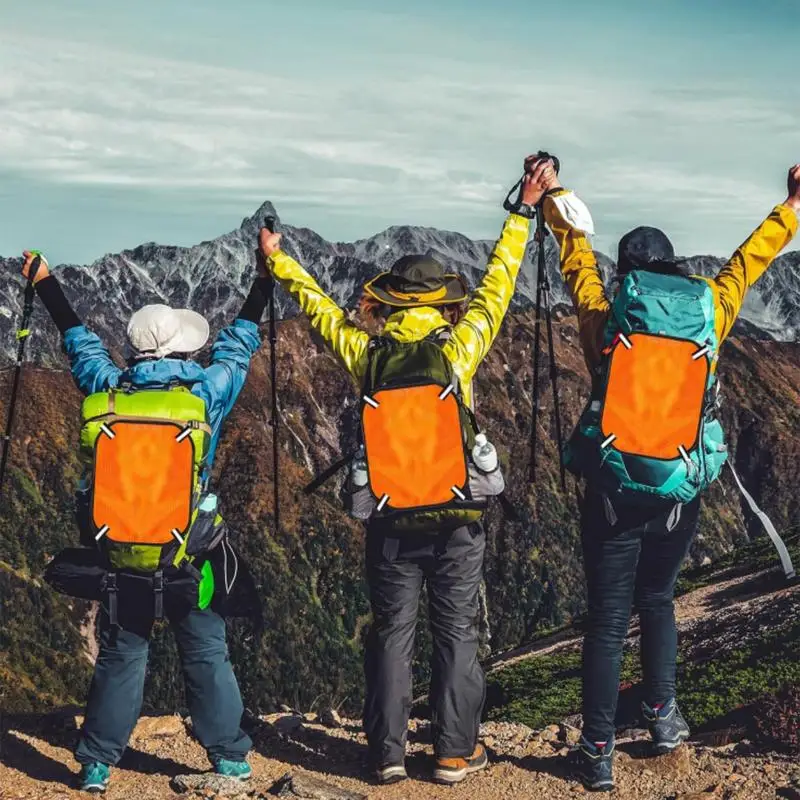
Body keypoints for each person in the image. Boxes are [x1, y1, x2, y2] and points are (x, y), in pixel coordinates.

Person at [256, 158, 555, 785]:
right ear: (442, 304)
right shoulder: (458, 349)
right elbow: (500, 284)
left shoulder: (368, 354)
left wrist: (279, 259)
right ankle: (452, 751)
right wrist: (524, 208)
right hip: (457, 519)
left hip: (391, 517)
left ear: (390, 304)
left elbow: (316, 309)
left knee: (392, 636)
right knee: (456, 634)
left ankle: (386, 753)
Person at [539, 164, 800, 791]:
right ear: (673, 268)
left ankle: (597, 752)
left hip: (611, 492)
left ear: (628, 275)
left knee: (605, 622)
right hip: (679, 492)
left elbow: (577, 262)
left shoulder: (607, 320)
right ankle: (662, 718)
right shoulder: (709, 309)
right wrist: (792, 204)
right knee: (657, 603)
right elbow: (747, 262)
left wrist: (553, 201)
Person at [17, 249, 271, 793]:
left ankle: (96, 764)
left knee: (122, 653)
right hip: (189, 554)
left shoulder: (107, 391)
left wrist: (45, 282)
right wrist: (267, 276)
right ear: (183, 348)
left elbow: (78, 342)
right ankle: (228, 756)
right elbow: (241, 340)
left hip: (122, 549)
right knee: (205, 649)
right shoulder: (205, 392)